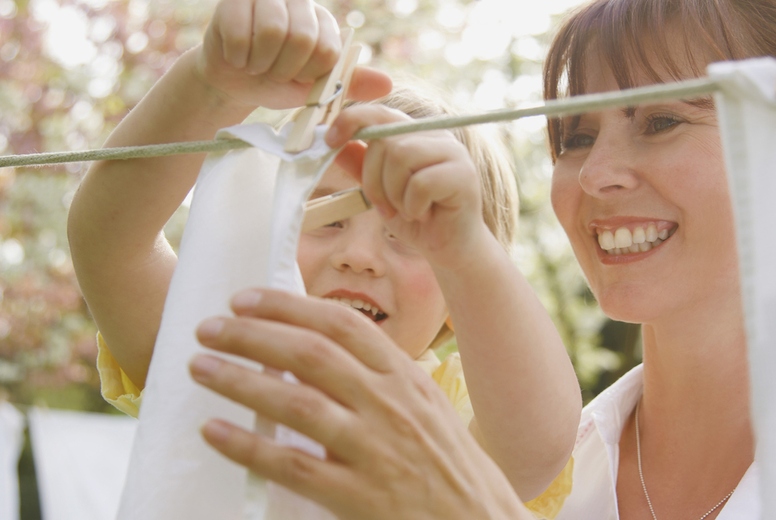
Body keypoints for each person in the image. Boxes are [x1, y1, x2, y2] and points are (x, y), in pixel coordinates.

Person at [188, 0, 776, 518]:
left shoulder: (492, 457)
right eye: (575, 137)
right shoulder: (553, 458)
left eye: (662, 120)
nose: (595, 176)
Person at [66, 0, 582, 514]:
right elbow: (112, 248)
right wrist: (210, 88)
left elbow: (534, 448)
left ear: (459, 303)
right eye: (326, 215)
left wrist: (470, 254)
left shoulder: (450, 408)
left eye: (411, 235)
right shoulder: (227, 353)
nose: (359, 257)